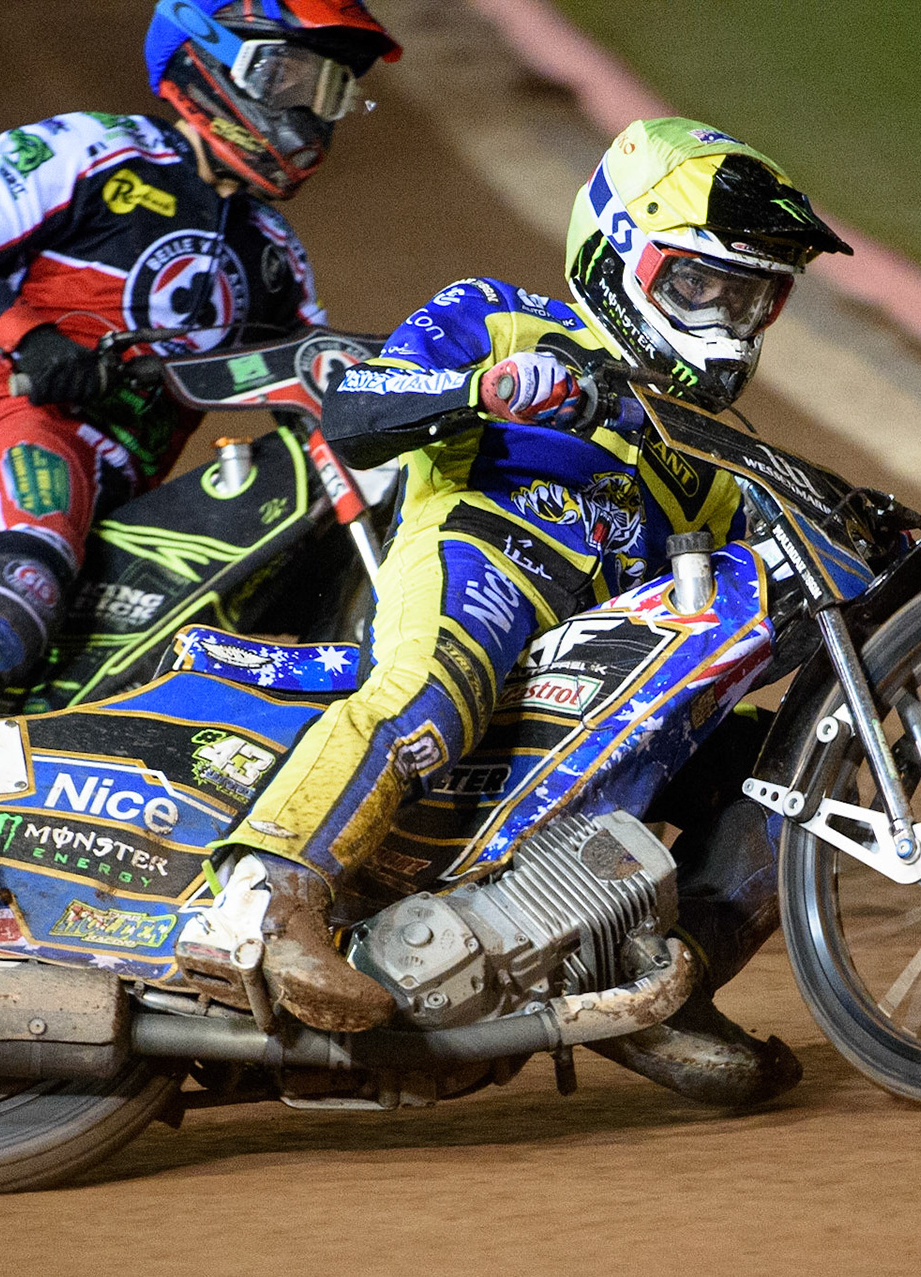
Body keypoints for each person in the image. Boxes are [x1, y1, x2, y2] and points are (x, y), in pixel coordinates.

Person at [194, 117, 853, 1105]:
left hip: (579, 675)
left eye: (750, 295)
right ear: (618, 255)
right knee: (433, 688)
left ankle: (656, 986)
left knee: (780, 772)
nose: (722, 318)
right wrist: (482, 386)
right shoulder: (502, 317)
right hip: (477, 555)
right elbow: (358, 404)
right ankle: (260, 901)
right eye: (698, 283)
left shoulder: (701, 451)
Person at [0, 0, 401, 757]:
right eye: (291, 78)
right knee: (24, 577)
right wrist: (31, 341)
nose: (311, 113)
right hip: (33, 431)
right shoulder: (95, 151)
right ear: (207, 56)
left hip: (135, 501)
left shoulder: (273, 250)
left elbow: (314, 388)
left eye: (333, 91)